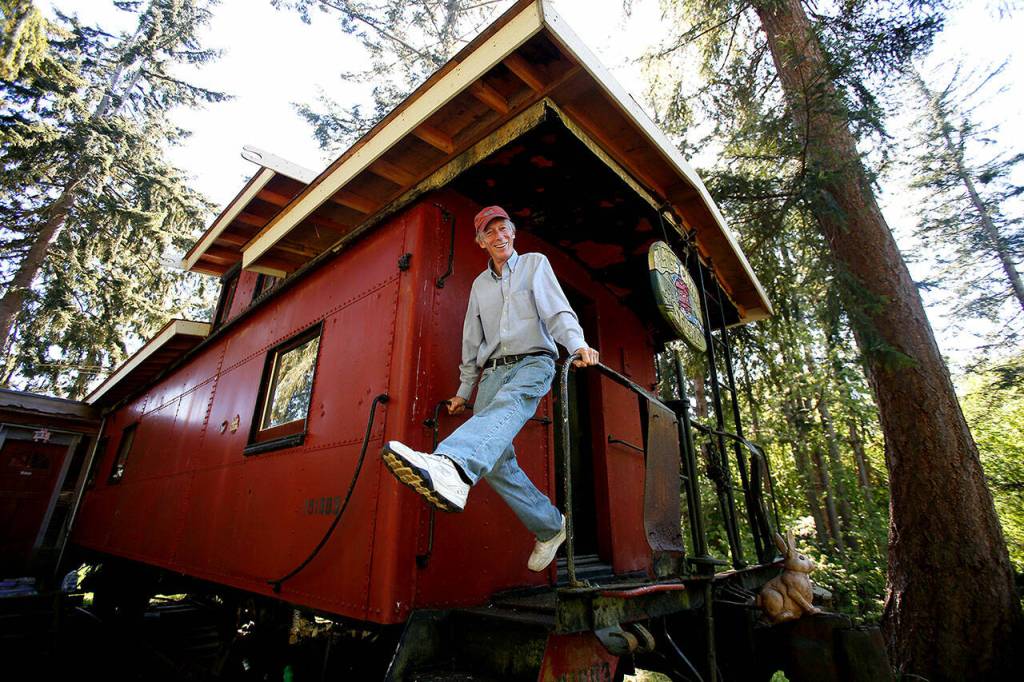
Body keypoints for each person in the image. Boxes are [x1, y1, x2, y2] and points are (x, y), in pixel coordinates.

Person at [382, 205, 599, 572]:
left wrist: (576, 343)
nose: (499, 236)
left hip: (534, 362)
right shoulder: (479, 286)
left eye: (504, 229)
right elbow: (472, 340)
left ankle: (451, 465)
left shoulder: (534, 264)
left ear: (513, 233)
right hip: (493, 371)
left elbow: (557, 310)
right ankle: (550, 526)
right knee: (496, 459)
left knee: (505, 410)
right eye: (490, 232)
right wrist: (464, 392)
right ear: (480, 241)